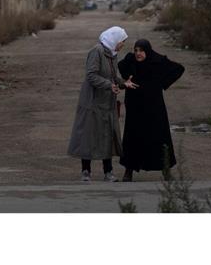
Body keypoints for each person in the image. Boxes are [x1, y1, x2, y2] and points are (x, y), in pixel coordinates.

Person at [67, 25, 136, 182]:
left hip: (107, 103)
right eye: (121, 41)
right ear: (114, 39)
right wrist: (109, 85)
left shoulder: (112, 54)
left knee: (107, 137)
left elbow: (113, 76)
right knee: (88, 136)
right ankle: (86, 171)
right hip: (92, 102)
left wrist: (124, 83)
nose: (122, 45)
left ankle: (108, 172)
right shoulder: (97, 51)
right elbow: (91, 75)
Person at [117, 38, 185, 181]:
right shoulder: (130, 61)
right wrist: (126, 80)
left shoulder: (157, 61)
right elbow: (120, 66)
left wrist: (162, 83)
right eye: (136, 50)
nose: (138, 54)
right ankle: (128, 171)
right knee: (132, 138)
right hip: (135, 107)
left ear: (147, 51)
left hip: (154, 108)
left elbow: (179, 69)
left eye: (141, 51)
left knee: (159, 138)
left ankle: (166, 171)